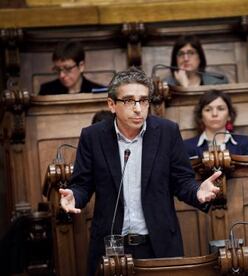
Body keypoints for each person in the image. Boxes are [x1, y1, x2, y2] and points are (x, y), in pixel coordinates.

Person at [58, 67, 221, 275]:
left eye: (143, 100)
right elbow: (82, 184)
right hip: (112, 246)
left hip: (158, 244)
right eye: (129, 101)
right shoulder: (93, 137)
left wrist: (198, 191)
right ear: (112, 105)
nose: (138, 108)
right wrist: (74, 196)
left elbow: (182, 181)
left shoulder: (167, 132)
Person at [184, 90, 248, 158]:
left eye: (221, 109)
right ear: (201, 116)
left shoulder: (243, 143)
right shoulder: (187, 146)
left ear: (229, 115)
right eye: (208, 110)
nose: (214, 114)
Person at [39, 40, 105, 95]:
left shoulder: (99, 92)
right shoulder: (46, 91)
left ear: (81, 66)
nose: (62, 75)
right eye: (58, 69)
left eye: (67, 69)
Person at [164, 35, 229, 88]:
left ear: (200, 57)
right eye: (181, 54)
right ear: (175, 59)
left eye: (191, 53)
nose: (186, 59)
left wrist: (186, 87)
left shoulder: (217, 82)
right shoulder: (165, 85)